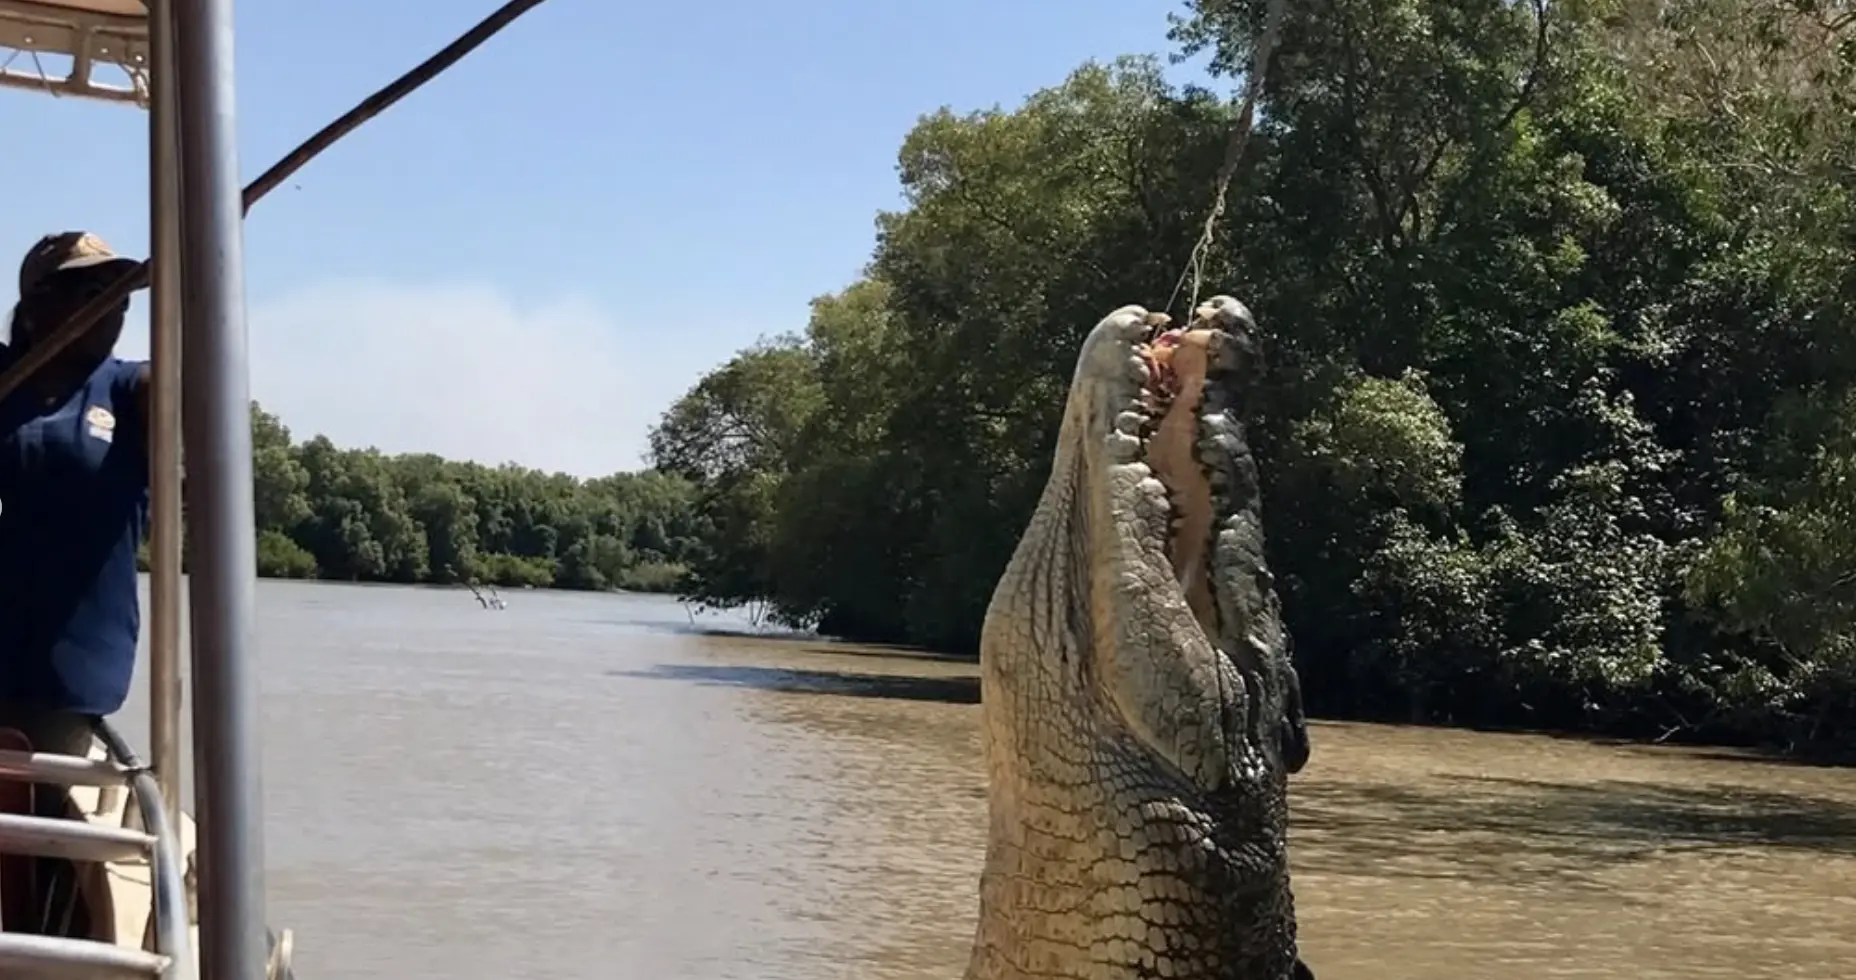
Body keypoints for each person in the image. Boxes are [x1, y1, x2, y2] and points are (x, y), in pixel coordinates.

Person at [0, 231, 150, 767]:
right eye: (94, 294)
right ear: (39, 304)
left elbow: (192, 379)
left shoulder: (132, 390)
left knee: (40, 826)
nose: (115, 310)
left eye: (123, 297)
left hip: (66, 675)